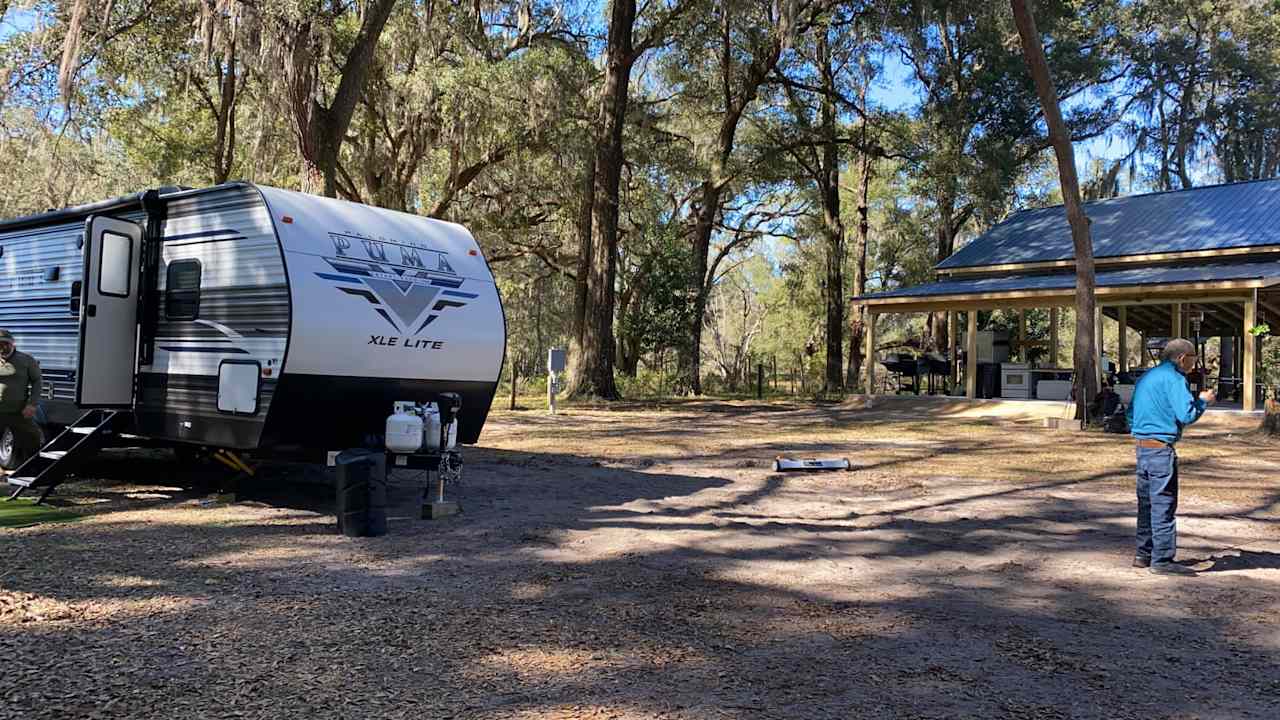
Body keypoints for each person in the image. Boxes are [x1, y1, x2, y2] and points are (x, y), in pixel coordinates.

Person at [1126, 338, 1215, 576]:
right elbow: (1186, 414)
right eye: (1193, 358)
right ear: (1182, 358)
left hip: (1142, 447)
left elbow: (1131, 413)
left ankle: (1142, 555)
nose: (1194, 363)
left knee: (1145, 504)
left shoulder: (1147, 376)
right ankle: (1162, 560)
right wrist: (1203, 402)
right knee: (1163, 505)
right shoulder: (1175, 379)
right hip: (1161, 450)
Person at [0, 329, 43, 470]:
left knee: (34, 438)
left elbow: (37, 381)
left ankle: (34, 468)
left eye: (5, 343)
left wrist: (32, 404)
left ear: (12, 343)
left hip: (18, 412)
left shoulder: (26, 360)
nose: (2, 347)